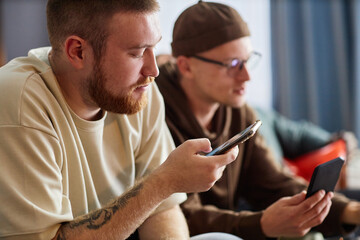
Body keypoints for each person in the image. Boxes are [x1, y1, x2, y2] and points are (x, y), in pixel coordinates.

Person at [0, 1, 242, 239]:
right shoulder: (19, 101)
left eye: (153, 48)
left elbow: (163, 211)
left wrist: (161, 190)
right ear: (78, 51)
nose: (153, 70)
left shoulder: (138, 91)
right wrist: (162, 184)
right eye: (136, 53)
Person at [156, 1, 360, 239]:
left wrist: (349, 211)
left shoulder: (239, 112)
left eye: (248, 60)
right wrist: (261, 224)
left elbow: (273, 183)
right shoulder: (154, 118)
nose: (247, 76)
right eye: (233, 65)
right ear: (186, 66)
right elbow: (177, 219)